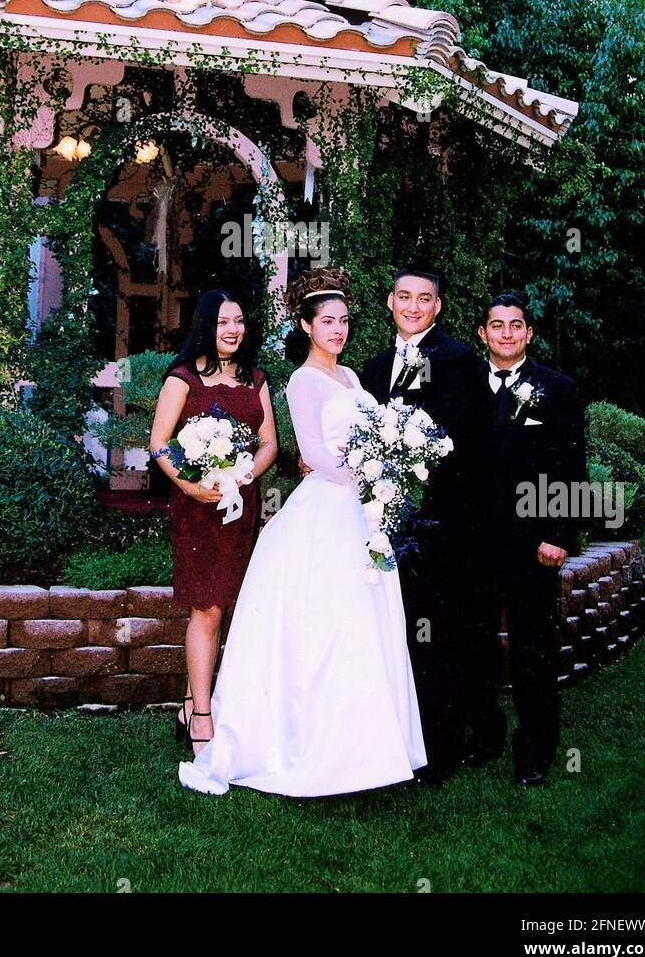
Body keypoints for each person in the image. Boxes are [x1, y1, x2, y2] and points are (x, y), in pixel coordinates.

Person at [177, 267, 426, 797]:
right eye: (327, 322)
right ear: (308, 327)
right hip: (326, 513)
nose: (338, 330)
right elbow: (312, 454)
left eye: (344, 321)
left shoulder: (354, 379)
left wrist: (387, 469)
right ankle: (309, 745)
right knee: (326, 626)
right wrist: (373, 472)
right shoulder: (302, 381)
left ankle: (367, 749)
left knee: (365, 625)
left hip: (361, 513)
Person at [360, 267, 482, 785]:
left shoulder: (458, 362)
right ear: (390, 301)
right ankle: (390, 741)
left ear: (438, 306)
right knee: (388, 631)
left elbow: (464, 442)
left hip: (440, 525)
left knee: (437, 635)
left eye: (424, 298)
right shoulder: (372, 367)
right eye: (404, 296)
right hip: (377, 526)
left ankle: (439, 749)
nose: (413, 306)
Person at [149, 290, 277, 756]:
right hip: (198, 510)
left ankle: (190, 703)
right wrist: (188, 485)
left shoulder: (255, 379)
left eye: (239, 321)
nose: (233, 330)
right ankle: (203, 717)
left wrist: (242, 476)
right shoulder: (182, 379)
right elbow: (160, 444)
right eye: (223, 322)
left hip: (240, 509)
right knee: (206, 607)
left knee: (227, 605)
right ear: (206, 326)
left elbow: (269, 445)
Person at [466, 292, 586, 787]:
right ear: (483, 333)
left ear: (529, 333)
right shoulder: (465, 385)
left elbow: (569, 465)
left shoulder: (557, 388)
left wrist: (557, 533)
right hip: (474, 540)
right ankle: (486, 735)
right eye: (498, 325)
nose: (507, 334)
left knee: (533, 648)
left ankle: (535, 751)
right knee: (474, 645)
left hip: (532, 542)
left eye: (516, 326)